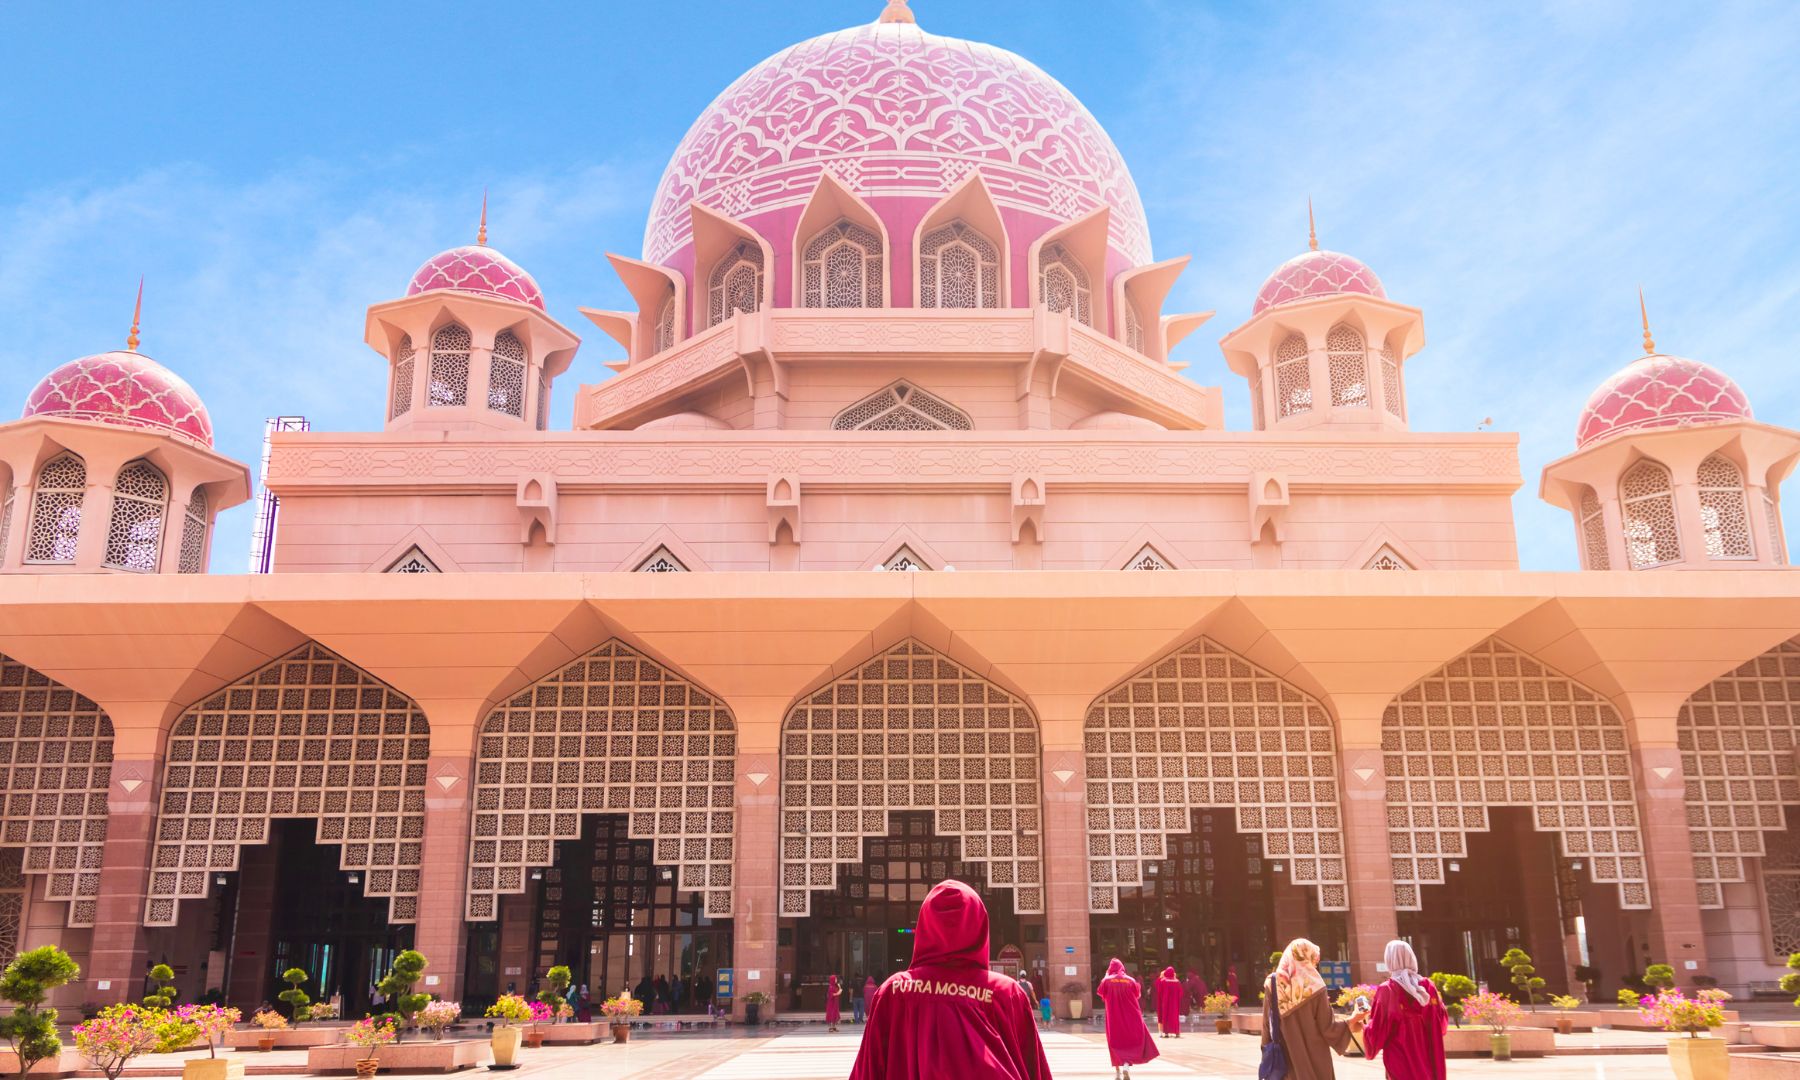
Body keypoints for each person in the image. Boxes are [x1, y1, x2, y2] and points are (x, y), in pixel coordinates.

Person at [848, 879, 1050, 1080]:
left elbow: (868, 1071)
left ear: (925, 926)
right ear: (979, 925)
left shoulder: (894, 992)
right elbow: (1035, 1070)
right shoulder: (1006, 994)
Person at [1262, 939, 1366, 1080]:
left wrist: (1267, 1053)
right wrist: (1353, 1020)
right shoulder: (1315, 986)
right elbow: (1328, 1028)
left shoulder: (1273, 984)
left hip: (1285, 1064)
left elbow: (1267, 1027)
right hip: (1316, 1063)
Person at [1362, 941, 1448, 1080]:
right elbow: (1442, 1025)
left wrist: (1363, 1025)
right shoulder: (1429, 987)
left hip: (1401, 1061)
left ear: (1389, 960)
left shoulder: (1388, 989)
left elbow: (1377, 1030)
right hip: (1430, 1060)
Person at [1097, 959, 1158, 1079]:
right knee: (1129, 1044)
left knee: (1115, 1044)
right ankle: (1126, 1066)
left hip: (1114, 1019)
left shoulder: (1107, 981)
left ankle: (1117, 1073)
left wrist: (1105, 977)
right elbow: (1137, 994)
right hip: (1131, 1017)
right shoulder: (1130, 980)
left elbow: (1101, 992)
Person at [1154, 967, 1184, 1038]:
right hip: (1174, 1004)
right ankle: (1177, 1032)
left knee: (1166, 1016)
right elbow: (1181, 993)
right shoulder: (1177, 982)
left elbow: (1158, 990)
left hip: (1165, 1003)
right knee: (1174, 1017)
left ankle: (1166, 1032)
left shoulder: (1163, 981)